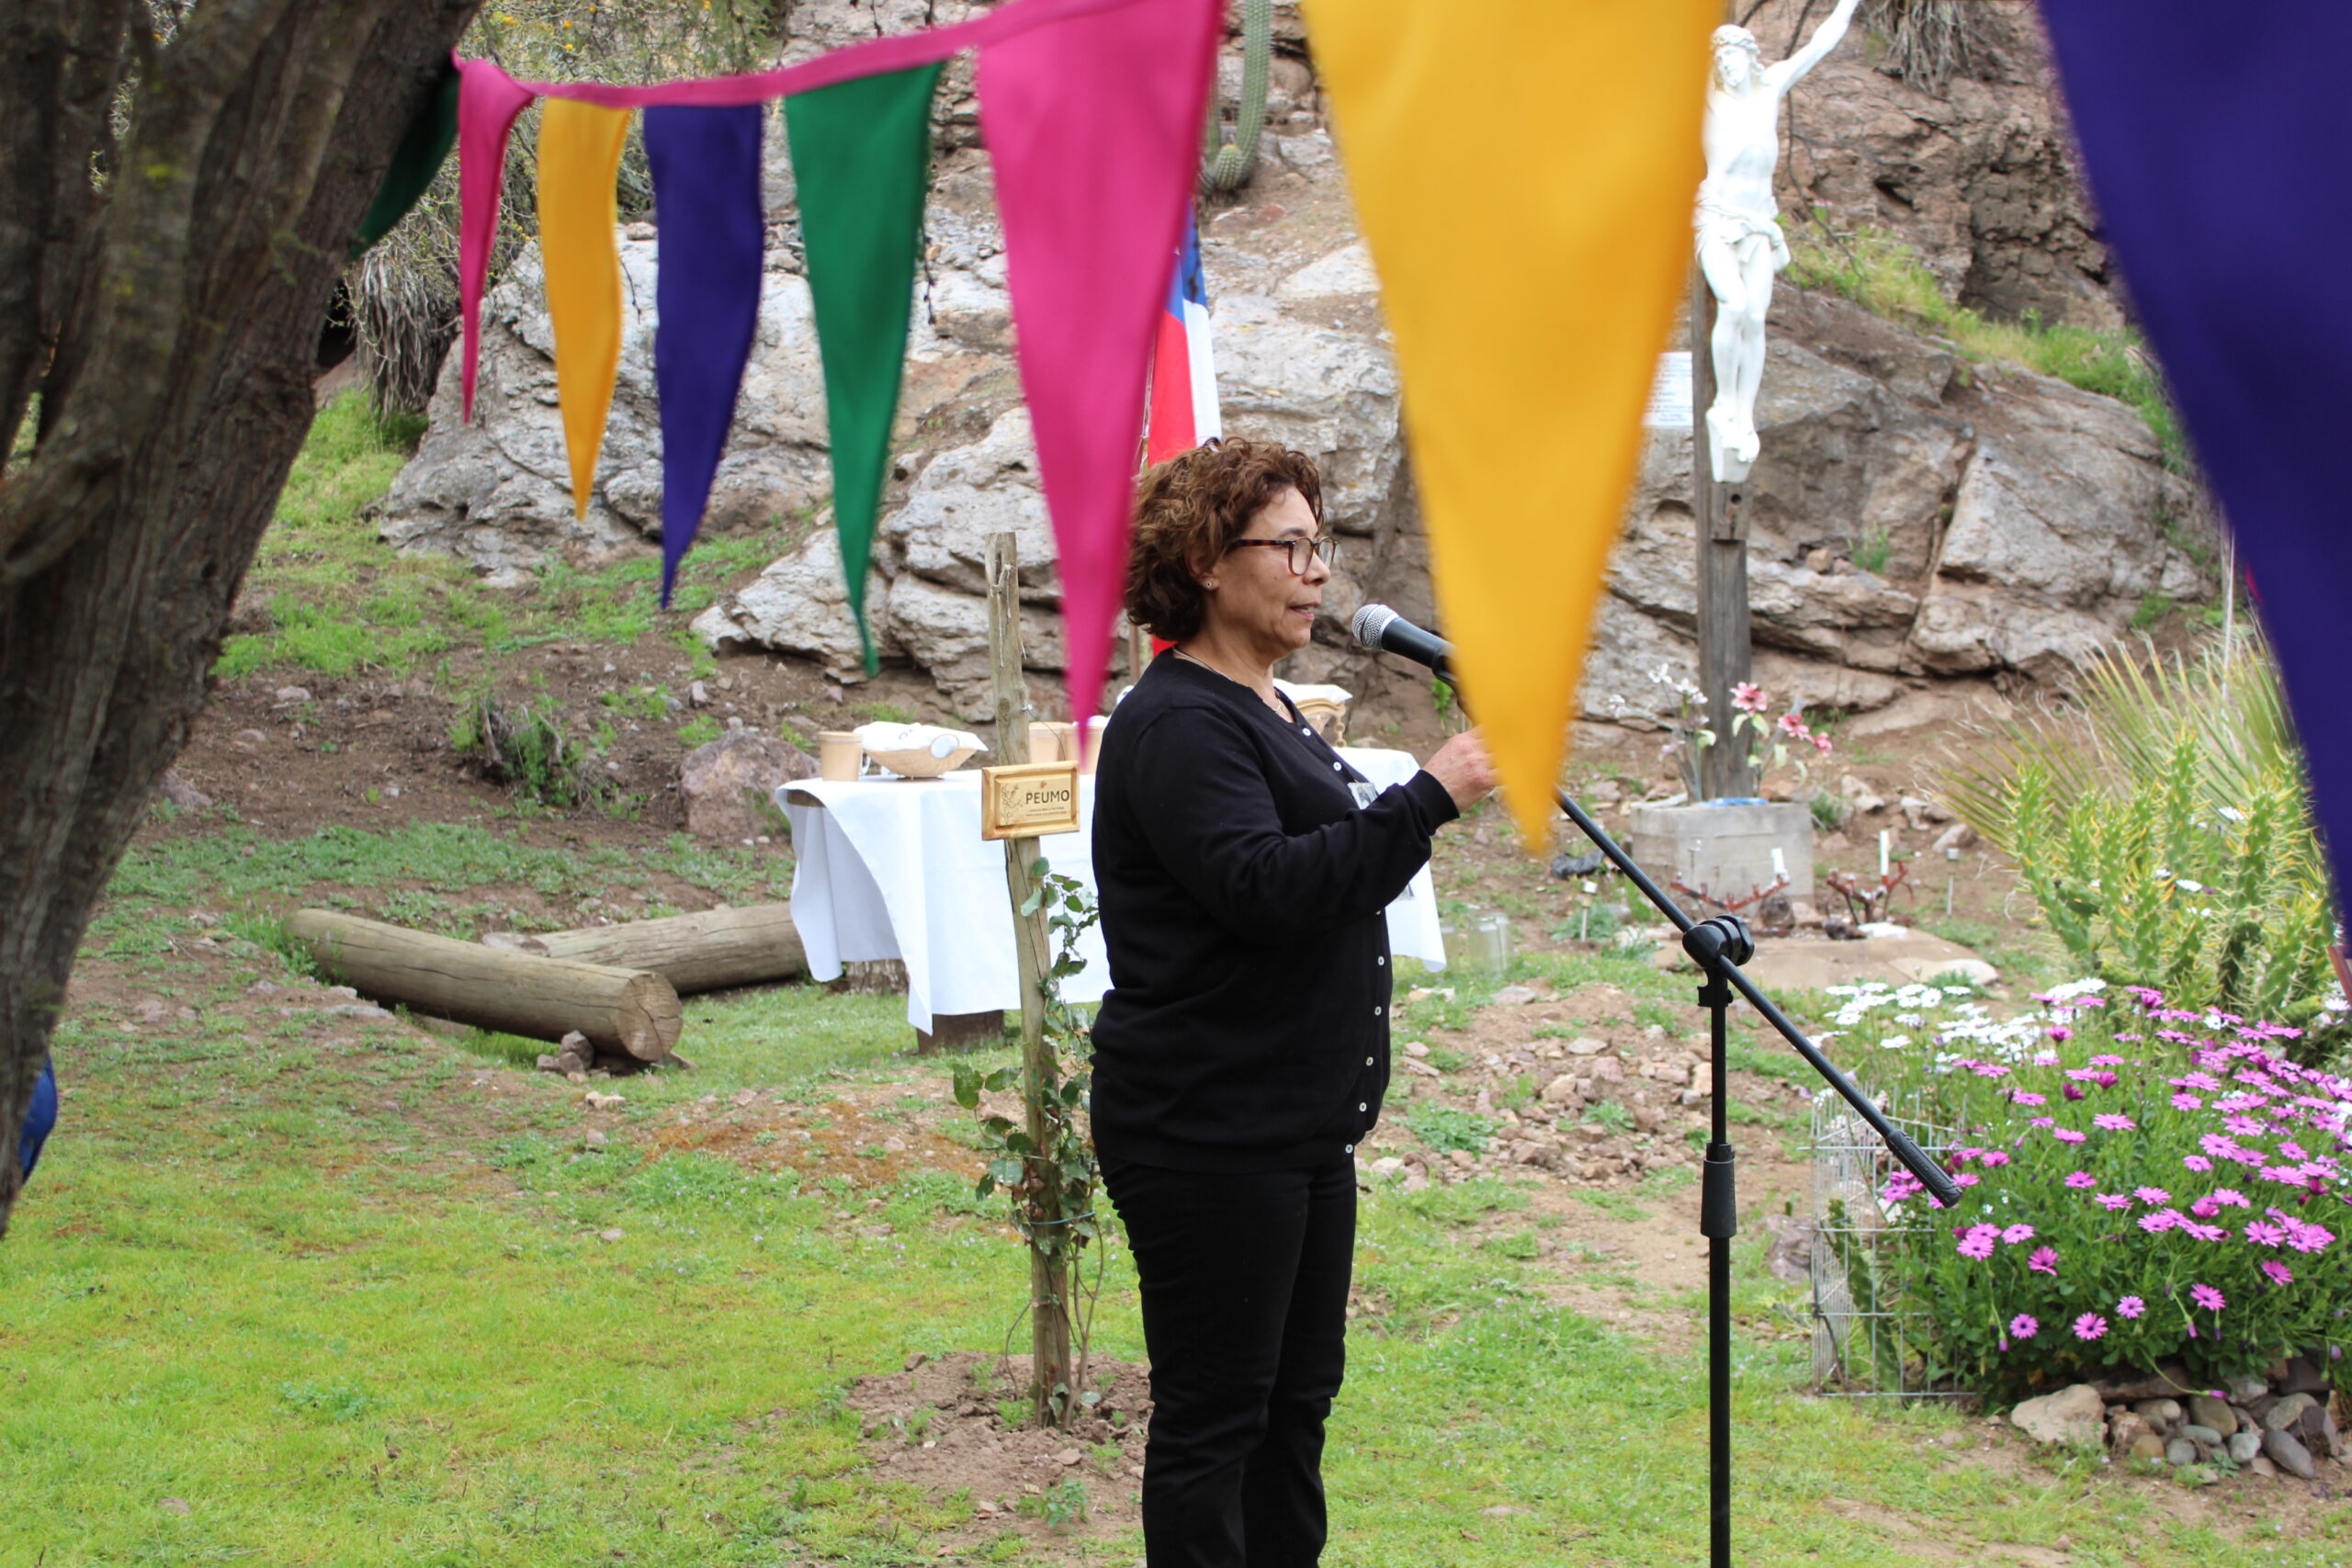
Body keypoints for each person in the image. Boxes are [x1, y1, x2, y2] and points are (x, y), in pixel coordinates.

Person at [1089, 438, 1497, 1566]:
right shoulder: (1177, 722)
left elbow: (1311, 870)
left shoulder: (1260, 705)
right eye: (1290, 546)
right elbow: (1267, 890)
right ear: (1210, 561)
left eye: (1322, 546)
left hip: (1294, 1132)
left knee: (1290, 1413)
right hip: (1207, 1132)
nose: (1318, 571)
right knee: (1218, 1420)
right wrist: (1430, 796)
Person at [1696, 0, 1859, 479]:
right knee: (1732, 305)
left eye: (1734, 57)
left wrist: (1847, 5)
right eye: (1720, 60)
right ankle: (1724, 402)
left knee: (1756, 318)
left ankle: (1745, 414)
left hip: (1760, 222)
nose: (1728, 66)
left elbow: (1819, 45)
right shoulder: (1704, 97)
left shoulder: (1769, 88)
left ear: (1750, 57)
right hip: (1717, 219)